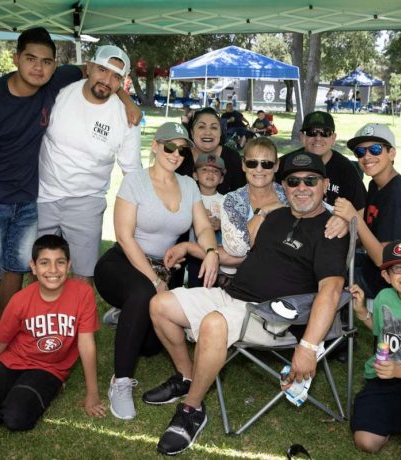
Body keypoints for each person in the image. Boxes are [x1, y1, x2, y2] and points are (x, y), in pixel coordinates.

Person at [144, 151, 349, 455]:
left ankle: (192, 409)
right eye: (293, 181)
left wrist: (307, 347)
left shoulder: (331, 229)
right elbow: (238, 257)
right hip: (233, 293)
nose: (302, 187)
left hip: (272, 315)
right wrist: (194, 247)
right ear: (285, 185)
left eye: (311, 180)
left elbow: (330, 291)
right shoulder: (276, 216)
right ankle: (188, 378)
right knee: (160, 304)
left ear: (324, 184)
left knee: (215, 323)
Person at [0, 28, 141, 363]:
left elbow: (96, 74)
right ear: (16, 58)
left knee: (19, 268)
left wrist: (126, 99)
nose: (38, 68)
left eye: (46, 62)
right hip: (11, 198)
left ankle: (23, 332)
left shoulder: (61, 82)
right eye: (31, 59)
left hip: (39, 199)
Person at [93, 122, 219, 421]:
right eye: (169, 147)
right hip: (122, 263)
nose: (176, 154)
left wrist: (211, 251)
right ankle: (120, 382)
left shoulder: (188, 186)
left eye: (182, 149)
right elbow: (123, 236)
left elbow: (201, 227)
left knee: (149, 346)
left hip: (164, 269)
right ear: (155, 146)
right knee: (142, 293)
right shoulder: (135, 181)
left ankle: (125, 314)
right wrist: (153, 280)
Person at [0, 234, 104, 433]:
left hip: (49, 368)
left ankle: (40, 390)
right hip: (12, 362)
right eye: (44, 263)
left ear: (69, 266)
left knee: (16, 418)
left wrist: (92, 394)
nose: (53, 270)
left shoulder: (83, 294)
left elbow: (86, 344)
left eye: (60, 262)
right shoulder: (20, 300)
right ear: (33, 267)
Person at [37, 45, 142, 286]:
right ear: (89, 67)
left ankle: (76, 324)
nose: (107, 80)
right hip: (43, 195)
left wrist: (134, 220)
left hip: (87, 202)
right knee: (41, 271)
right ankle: (40, 322)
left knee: (83, 276)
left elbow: (131, 173)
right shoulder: (60, 93)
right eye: (102, 70)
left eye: (116, 76)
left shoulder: (127, 119)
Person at [349, 238, 401, 459]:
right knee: (366, 442)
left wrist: (399, 370)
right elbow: (381, 331)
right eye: (398, 268)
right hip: (384, 377)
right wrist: (362, 313)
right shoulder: (383, 298)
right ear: (386, 275)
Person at [334, 123, 401, 300]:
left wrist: (354, 217)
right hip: (379, 270)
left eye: (375, 149)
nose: (367, 156)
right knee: (327, 257)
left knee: (328, 274)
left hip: (399, 284)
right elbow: (369, 234)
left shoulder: (396, 195)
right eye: (360, 152)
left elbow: (384, 260)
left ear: (391, 153)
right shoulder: (375, 185)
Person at [276, 111, 366, 211]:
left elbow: (360, 211)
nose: (318, 138)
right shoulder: (285, 163)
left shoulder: (346, 169)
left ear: (333, 138)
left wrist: (344, 221)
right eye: (311, 132)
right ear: (302, 137)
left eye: (325, 133)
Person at [177, 107, 246, 195]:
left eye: (213, 127)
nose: (208, 132)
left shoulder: (233, 159)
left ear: (220, 132)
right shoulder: (180, 155)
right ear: (192, 133)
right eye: (201, 127)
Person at [187, 153, 226, 288]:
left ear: (221, 179)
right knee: (196, 286)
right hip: (195, 255)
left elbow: (233, 227)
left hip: (220, 255)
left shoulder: (226, 200)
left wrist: (220, 224)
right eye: (205, 170)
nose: (210, 174)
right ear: (195, 175)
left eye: (216, 171)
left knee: (215, 287)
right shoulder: (190, 198)